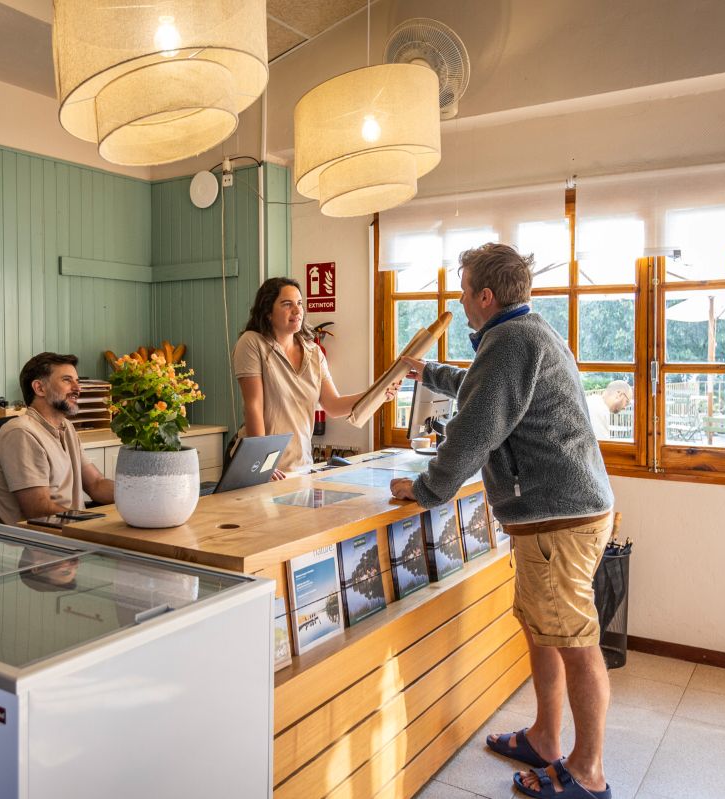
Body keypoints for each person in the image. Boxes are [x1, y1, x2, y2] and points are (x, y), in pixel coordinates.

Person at [390, 243, 615, 799]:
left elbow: (473, 429)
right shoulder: (523, 332)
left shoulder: (511, 341)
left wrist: (427, 489)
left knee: (574, 640)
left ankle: (588, 772)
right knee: (546, 630)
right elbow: (486, 387)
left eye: (464, 290)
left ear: (485, 295)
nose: (461, 300)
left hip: (558, 520)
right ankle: (545, 738)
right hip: (561, 514)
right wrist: (429, 371)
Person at [233, 277, 395, 476]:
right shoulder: (251, 342)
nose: (297, 310)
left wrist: (378, 392)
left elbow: (333, 405)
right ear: (268, 312)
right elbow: (254, 406)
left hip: (300, 466)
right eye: (287, 304)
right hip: (259, 466)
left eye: (299, 303)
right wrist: (263, 463)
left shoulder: (314, 353)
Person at [0, 352, 115, 524]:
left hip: (73, 531)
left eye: (77, 381)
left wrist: (138, 497)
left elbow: (96, 484)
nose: (77, 388)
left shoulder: (66, 427)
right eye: (67, 380)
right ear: (40, 388)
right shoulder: (21, 433)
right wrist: (92, 522)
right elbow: (38, 509)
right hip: (38, 538)